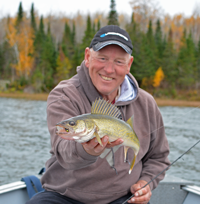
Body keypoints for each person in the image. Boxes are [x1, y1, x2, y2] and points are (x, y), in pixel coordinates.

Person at [26, 25, 170, 204]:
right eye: (102, 58)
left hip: (122, 198)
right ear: (87, 57)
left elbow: (159, 157)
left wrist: (145, 182)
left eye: (118, 61)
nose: (109, 70)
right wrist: (85, 150)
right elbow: (63, 150)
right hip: (64, 196)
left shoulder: (146, 103)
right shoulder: (63, 96)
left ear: (129, 65)